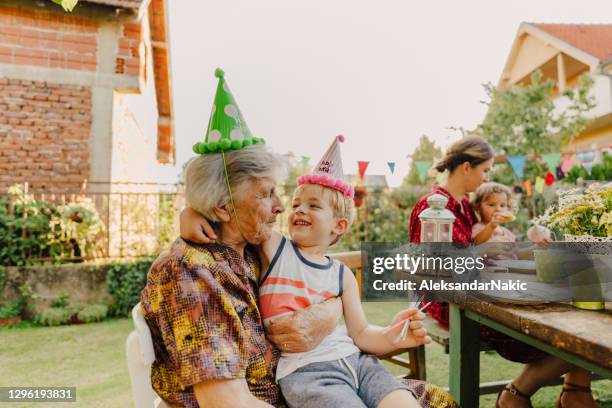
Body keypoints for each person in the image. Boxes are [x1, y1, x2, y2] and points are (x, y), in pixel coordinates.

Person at [142, 68, 459, 408]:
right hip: (283, 396)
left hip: (329, 377)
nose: (281, 207)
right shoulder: (193, 273)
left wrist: (194, 212)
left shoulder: (246, 248)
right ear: (222, 208)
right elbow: (227, 401)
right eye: (267, 194)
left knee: (429, 399)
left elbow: (320, 280)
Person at [182, 136, 434, 408]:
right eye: (297, 204)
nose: (298, 209)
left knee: (404, 403)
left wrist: (391, 334)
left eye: (313, 205)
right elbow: (230, 215)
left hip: (359, 363)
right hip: (308, 374)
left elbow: (361, 334)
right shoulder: (275, 249)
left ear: (338, 226)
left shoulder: (342, 274)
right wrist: (191, 213)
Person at [409, 136, 599, 408]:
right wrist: (484, 253)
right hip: (451, 301)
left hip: (482, 289)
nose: (487, 176)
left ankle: (575, 390)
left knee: (579, 308)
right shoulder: (434, 206)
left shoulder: (462, 204)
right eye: (485, 170)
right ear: (466, 167)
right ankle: (519, 393)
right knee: (568, 330)